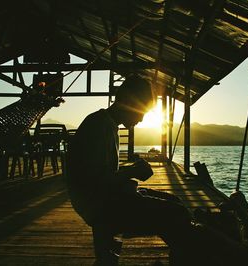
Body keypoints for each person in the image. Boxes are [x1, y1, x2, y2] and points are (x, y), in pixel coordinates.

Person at [67, 74, 193, 265]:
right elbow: (96, 181)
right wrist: (131, 172)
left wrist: (129, 176)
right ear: (127, 102)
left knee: (174, 201)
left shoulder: (105, 124)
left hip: (102, 199)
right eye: (141, 111)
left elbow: (101, 175)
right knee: (176, 214)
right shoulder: (99, 126)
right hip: (98, 206)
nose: (141, 119)